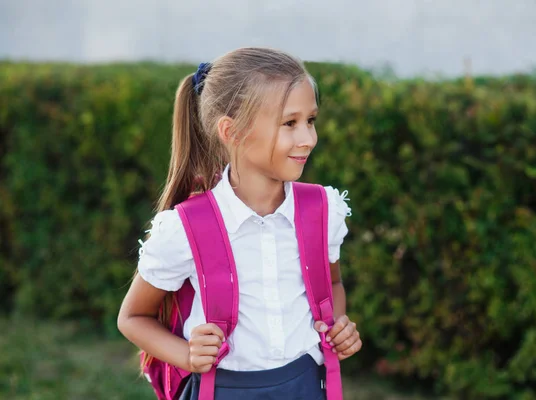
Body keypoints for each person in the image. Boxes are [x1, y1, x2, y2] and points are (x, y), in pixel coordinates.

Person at [117, 47, 361, 399]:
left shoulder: (323, 210)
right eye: (289, 123)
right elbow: (133, 317)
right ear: (232, 132)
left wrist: (337, 325)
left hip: (307, 387)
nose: (309, 138)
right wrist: (187, 355)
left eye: (311, 120)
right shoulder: (185, 228)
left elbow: (333, 282)